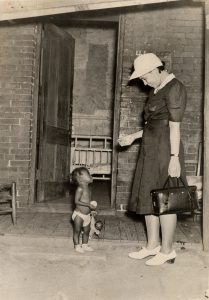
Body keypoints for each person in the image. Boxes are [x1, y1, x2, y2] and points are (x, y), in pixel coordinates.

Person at [118, 53, 187, 266]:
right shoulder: (156, 89)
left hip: (166, 149)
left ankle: (167, 251)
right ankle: (152, 246)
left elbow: (174, 126)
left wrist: (174, 157)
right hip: (150, 148)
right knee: (148, 194)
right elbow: (153, 125)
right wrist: (132, 136)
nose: (143, 82)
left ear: (155, 70)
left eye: (144, 78)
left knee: (165, 198)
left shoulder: (175, 87)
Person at [71, 167, 97, 253]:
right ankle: (77, 246)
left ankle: (85, 245)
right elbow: (76, 201)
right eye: (88, 174)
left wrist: (91, 209)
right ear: (80, 178)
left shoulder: (88, 188)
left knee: (87, 231)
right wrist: (88, 205)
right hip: (79, 214)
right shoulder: (80, 189)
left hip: (87, 215)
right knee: (77, 231)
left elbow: (87, 199)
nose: (90, 176)